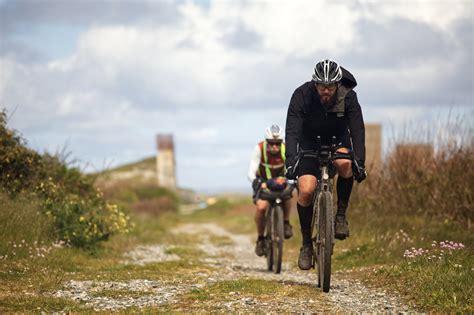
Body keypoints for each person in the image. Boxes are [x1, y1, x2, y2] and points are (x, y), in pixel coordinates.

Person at [284, 59, 367, 270]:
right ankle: (306, 244)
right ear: (315, 84)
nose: (326, 91)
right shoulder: (301, 95)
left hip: (337, 138)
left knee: (345, 165)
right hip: (309, 142)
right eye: (322, 86)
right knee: (306, 190)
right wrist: (291, 160)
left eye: (331, 86)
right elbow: (292, 130)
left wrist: (360, 161)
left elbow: (357, 129)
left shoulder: (348, 97)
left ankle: (340, 216)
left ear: (338, 84)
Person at [248, 124, 294, 256]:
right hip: (263, 184)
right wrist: (257, 181)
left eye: (277, 143)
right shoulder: (259, 149)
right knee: (261, 208)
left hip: (280, 183)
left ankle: (285, 223)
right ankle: (261, 239)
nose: (274, 146)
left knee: (289, 195)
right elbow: (251, 172)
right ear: (267, 142)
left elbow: (292, 167)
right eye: (271, 143)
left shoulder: (286, 149)